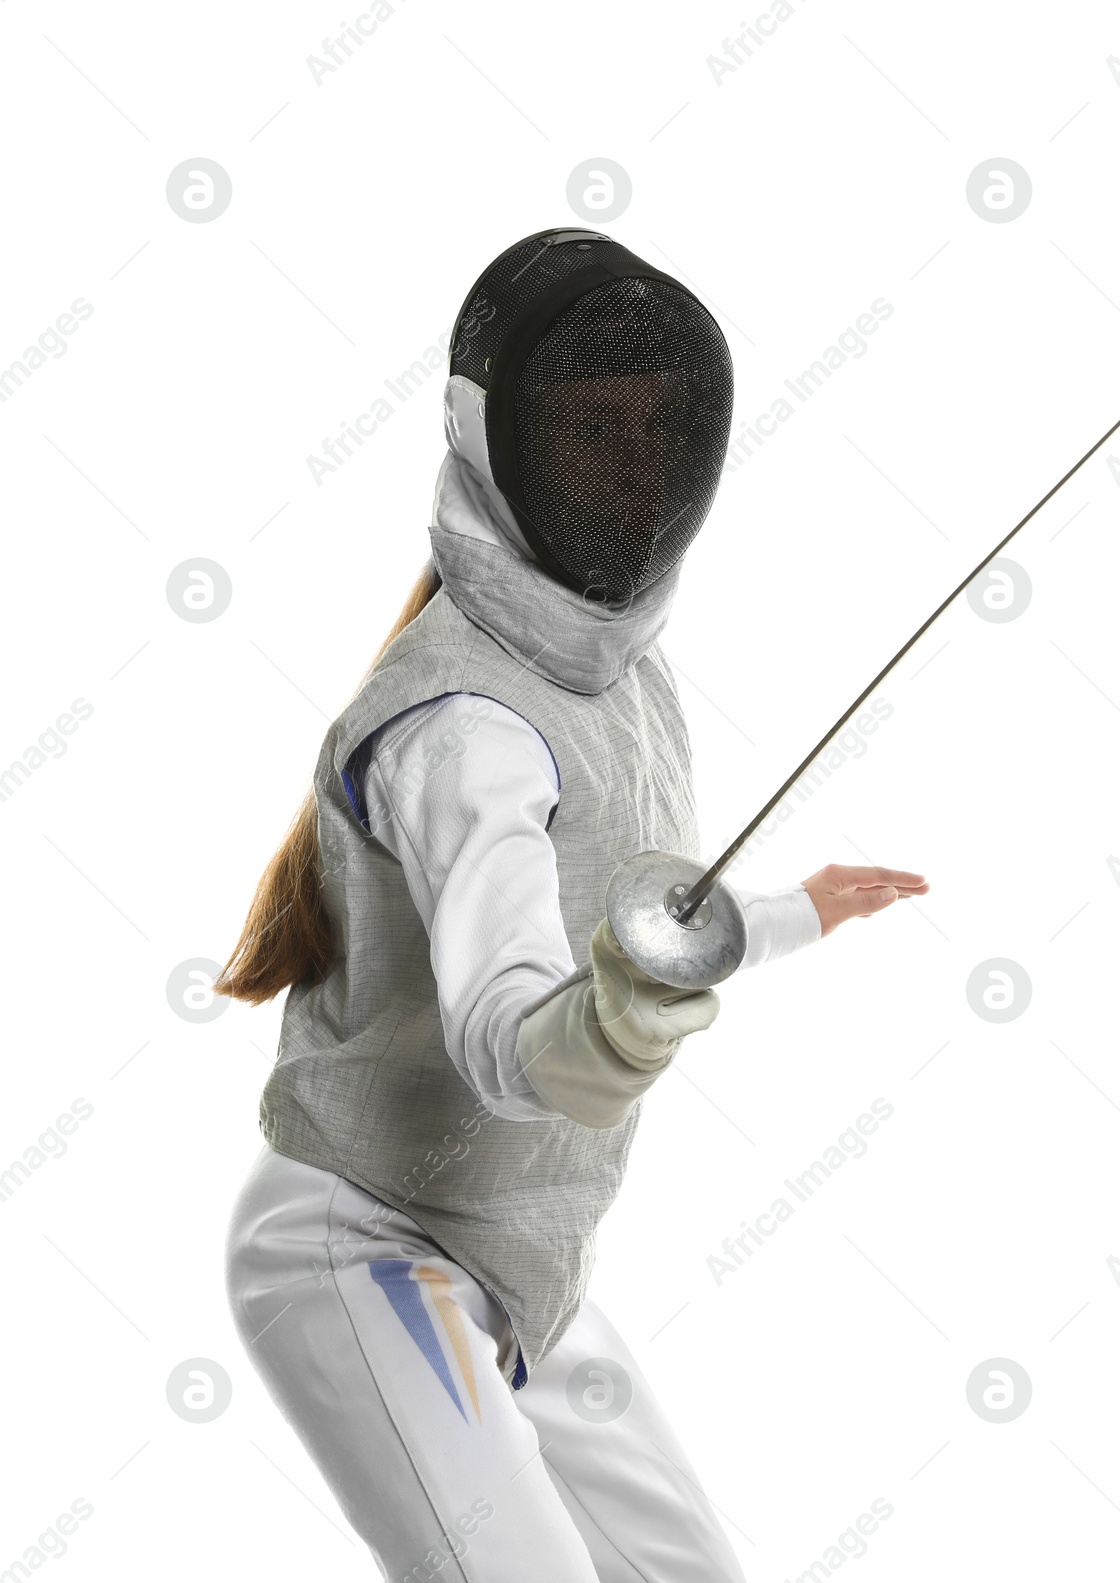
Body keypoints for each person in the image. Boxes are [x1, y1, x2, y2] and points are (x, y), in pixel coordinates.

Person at [216, 227, 927, 1582]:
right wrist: (613, 1032)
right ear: (505, 447)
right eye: (591, 428)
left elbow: (639, 911)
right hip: (368, 1241)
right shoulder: (464, 725)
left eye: (660, 427)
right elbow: (513, 1041)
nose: (633, 466)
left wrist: (794, 913)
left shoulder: (625, 682)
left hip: (526, 1256)